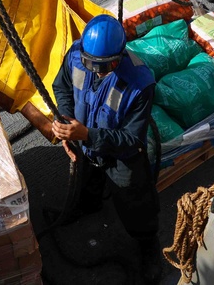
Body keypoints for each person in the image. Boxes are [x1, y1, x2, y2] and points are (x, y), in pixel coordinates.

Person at [52, 14, 162, 283]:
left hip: (120, 155)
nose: (99, 71)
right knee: (87, 179)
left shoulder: (139, 83)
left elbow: (131, 140)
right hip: (85, 140)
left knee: (134, 201)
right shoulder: (76, 56)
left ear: (121, 56)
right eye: (93, 64)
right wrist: (65, 122)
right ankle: (87, 206)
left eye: (108, 65)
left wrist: (87, 134)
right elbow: (62, 87)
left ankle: (147, 244)